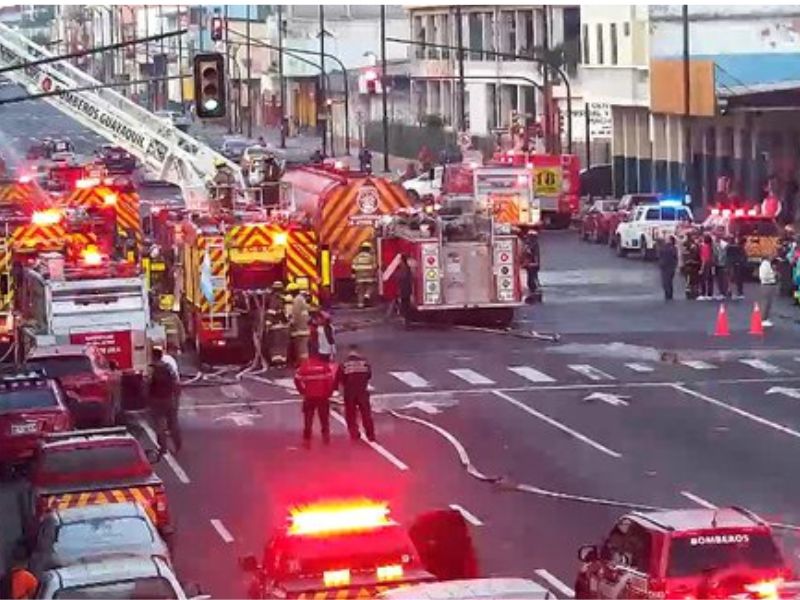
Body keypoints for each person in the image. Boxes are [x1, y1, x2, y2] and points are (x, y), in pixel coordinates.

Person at [294, 352, 337, 448]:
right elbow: (330, 381)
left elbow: (297, 379)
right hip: (322, 396)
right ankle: (326, 437)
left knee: (308, 418)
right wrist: (328, 393)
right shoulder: (324, 367)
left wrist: (302, 390)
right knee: (324, 418)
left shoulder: (304, 367)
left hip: (309, 396)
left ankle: (307, 438)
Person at [336, 344, 375, 442]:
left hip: (350, 392)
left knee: (350, 414)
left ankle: (354, 434)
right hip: (362, 391)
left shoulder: (344, 364)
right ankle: (370, 435)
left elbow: (340, 378)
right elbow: (369, 375)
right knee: (366, 414)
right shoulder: (364, 363)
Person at [149, 347, 182, 454]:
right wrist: (176, 397)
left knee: (159, 424)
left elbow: (148, 385)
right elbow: (175, 380)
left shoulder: (152, 369)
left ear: (154, 356)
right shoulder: (169, 365)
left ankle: (163, 447)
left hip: (157, 400)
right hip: (169, 398)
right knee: (173, 422)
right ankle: (177, 444)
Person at [266, 281, 289, 366]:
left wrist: (268, 323)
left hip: (276, 327)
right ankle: (283, 362)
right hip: (284, 326)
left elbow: (271, 312)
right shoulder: (283, 298)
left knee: (275, 346)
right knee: (283, 346)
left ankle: (276, 363)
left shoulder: (274, 299)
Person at [288, 284, 310, 365]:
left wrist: (291, 322)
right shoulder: (301, 299)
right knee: (303, 349)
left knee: (301, 349)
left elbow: (296, 314)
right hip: (304, 328)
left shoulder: (297, 300)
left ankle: (303, 365)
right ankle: (304, 364)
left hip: (299, 330)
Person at [352, 241, 377, 308]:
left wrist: (353, 275)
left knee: (360, 291)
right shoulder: (371, 257)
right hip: (369, 276)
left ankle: (360, 304)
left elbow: (353, 267)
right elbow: (374, 266)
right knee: (370, 287)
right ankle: (367, 295)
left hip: (359, 277)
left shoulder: (357, 257)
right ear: (369, 249)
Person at [522, 230, 541, 303]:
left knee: (532, 279)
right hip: (531, 265)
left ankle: (535, 292)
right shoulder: (532, 244)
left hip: (532, 265)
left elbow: (535, 256)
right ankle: (534, 292)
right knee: (531, 279)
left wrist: (534, 263)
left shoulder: (533, 245)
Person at [658, 236, 679, 301]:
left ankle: (668, 294)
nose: (666, 240)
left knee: (666, 281)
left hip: (666, 266)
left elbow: (660, 254)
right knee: (669, 281)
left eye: (667, 239)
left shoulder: (666, 248)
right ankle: (669, 294)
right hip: (670, 266)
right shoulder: (673, 248)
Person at [725, 235, 747, 300]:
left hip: (731, 264)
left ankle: (730, 291)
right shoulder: (738, 248)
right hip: (736, 265)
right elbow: (742, 257)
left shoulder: (729, 247)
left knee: (730, 278)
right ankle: (737, 292)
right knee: (737, 279)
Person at [759, 256, 778, 327]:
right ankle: (763, 319)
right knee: (765, 303)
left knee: (768, 303)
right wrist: (773, 275)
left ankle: (766, 318)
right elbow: (763, 276)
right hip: (767, 284)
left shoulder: (768, 264)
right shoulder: (765, 264)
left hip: (769, 284)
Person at [396, 253, 413, 322]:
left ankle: (407, 320)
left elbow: (401, 277)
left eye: (400, 260)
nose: (399, 261)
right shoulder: (407, 268)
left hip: (404, 290)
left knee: (405, 305)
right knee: (406, 305)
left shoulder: (404, 268)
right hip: (407, 289)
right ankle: (407, 319)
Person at [699, 234, 715, 300]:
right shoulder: (711, 247)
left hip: (705, 264)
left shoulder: (704, 247)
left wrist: (701, 268)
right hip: (711, 264)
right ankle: (710, 294)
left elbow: (703, 258)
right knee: (710, 279)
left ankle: (703, 294)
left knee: (703, 279)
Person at [713, 235, 729, 299]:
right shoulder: (716, 245)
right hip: (718, 265)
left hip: (722, 264)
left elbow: (723, 255)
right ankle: (722, 292)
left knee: (723, 279)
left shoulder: (723, 246)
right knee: (719, 279)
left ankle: (723, 292)